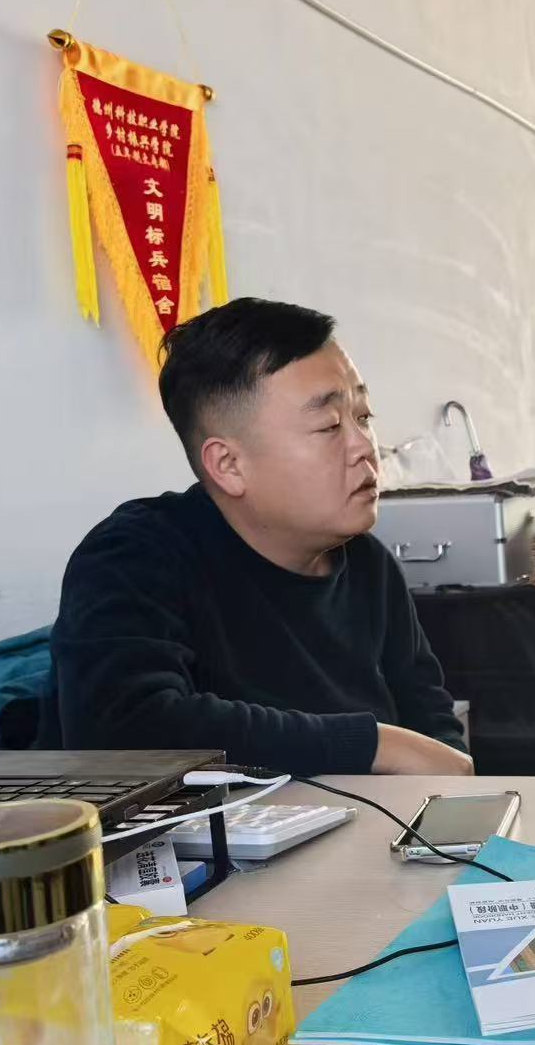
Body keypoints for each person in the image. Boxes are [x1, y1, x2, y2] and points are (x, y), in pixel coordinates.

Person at [51, 297, 472, 776]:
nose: (364, 448)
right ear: (229, 465)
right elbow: (125, 728)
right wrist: (373, 744)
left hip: (367, 821)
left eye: (363, 417)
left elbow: (433, 729)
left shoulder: (367, 564)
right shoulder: (134, 556)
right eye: (329, 425)